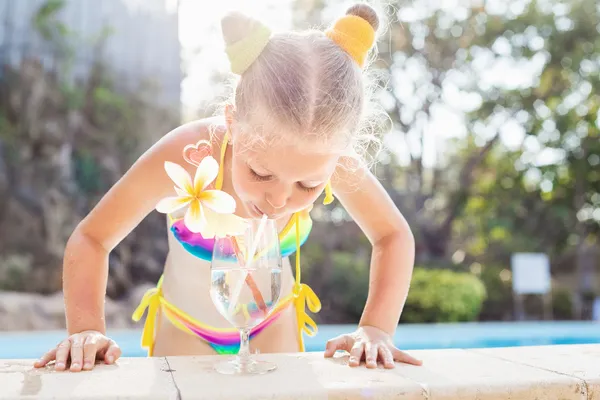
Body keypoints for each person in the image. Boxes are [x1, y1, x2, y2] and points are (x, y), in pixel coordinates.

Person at [34, 3, 422, 372]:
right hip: (185, 329)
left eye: (308, 184)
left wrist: (375, 328)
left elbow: (392, 235)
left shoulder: (327, 155)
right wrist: (86, 329)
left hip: (273, 324)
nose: (279, 200)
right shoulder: (189, 154)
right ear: (233, 123)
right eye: (260, 173)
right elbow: (92, 237)